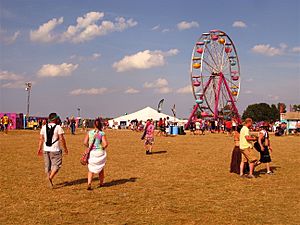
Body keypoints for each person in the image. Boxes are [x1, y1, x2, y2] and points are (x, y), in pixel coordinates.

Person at [37, 113, 68, 188]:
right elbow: (61, 139)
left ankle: (49, 181)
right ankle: (49, 178)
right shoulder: (58, 127)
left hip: (46, 149)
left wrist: (39, 148)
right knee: (57, 165)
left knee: (47, 166)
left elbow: (41, 139)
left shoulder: (44, 127)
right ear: (55, 119)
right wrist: (65, 148)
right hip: (55, 149)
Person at [84, 118, 108, 190]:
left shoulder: (90, 132)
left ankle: (89, 183)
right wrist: (103, 148)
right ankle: (101, 183)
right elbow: (105, 144)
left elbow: (85, 142)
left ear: (94, 124)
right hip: (99, 152)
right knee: (101, 168)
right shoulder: (101, 133)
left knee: (91, 169)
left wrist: (89, 146)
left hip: (92, 152)